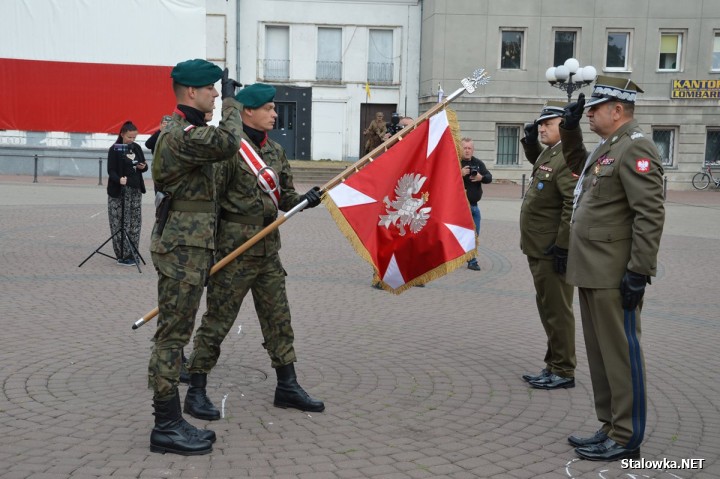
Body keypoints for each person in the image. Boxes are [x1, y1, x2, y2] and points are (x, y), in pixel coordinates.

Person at [183, 83, 325, 424]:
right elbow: (211, 202)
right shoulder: (229, 151)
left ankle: (287, 387)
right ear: (248, 111)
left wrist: (307, 199)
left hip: (267, 251)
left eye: (274, 109)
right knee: (217, 322)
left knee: (279, 320)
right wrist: (206, 252)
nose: (275, 114)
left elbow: (285, 197)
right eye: (269, 109)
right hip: (234, 252)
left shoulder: (275, 151)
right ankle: (196, 390)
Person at [558, 76, 665, 461]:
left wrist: (639, 271)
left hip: (614, 273)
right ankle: (610, 425)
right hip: (591, 269)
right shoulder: (608, 148)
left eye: (594, 108)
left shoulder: (637, 148)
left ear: (617, 110)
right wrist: (569, 130)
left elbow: (649, 214)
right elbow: (576, 169)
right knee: (601, 354)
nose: (588, 113)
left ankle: (627, 436)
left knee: (620, 354)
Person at [147, 58, 243, 456]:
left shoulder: (190, 133)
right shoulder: (181, 136)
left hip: (192, 249)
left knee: (175, 335)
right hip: (182, 251)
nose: (217, 95)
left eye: (219, 91)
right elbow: (229, 142)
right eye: (212, 89)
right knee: (171, 338)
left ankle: (170, 421)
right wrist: (235, 106)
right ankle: (165, 426)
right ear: (191, 92)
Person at [519, 101, 578, 390]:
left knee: (557, 311)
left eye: (548, 124)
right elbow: (541, 165)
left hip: (551, 250)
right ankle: (553, 364)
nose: (542, 128)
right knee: (547, 309)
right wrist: (530, 143)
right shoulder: (554, 154)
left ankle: (564, 369)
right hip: (538, 247)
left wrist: (563, 246)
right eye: (540, 124)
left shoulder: (567, 156)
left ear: (564, 126)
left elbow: (571, 203)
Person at [106, 121, 148, 266]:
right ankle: (122, 254)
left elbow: (142, 165)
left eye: (134, 137)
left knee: (134, 222)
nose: (132, 140)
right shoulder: (114, 149)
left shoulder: (136, 148)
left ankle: (132, 252)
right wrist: (119, 180)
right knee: (120, 222)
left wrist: (143, 166)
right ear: (122, 134)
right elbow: (110, 170)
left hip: (135, 190)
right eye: (130, 137)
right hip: (119, 192)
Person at [460, 137, 492, 271]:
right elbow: (445, 181)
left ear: (473, 150)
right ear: (460, 149)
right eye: (465, 148)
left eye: (469, 148)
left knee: (475, 235)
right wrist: (459, 174)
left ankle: (472, 261)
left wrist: (481, 177)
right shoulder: (455, 162)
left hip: (473, 207)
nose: (467, 151)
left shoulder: (478, 163)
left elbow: (489, 178)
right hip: (459, 208)